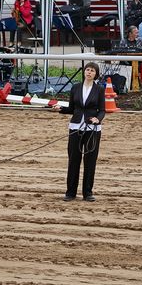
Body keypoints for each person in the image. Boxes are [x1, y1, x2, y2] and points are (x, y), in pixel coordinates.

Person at [52, 62, 105, 202]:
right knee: (74, 160)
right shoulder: (75, 88)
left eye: (92, 71)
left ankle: (87, 192)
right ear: (84, 72)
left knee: (90, 161)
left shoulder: (99, 90)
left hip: (92, 130)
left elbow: (102, 110)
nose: (89, 72)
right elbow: (71, 108)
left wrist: (97, 119)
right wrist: (61, 109)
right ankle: (70, 192)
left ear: (96, 74)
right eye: (87, 70)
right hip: (75, 128)